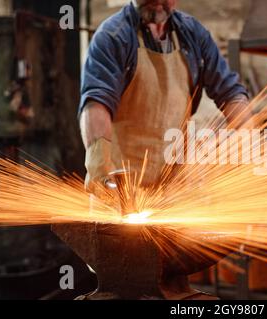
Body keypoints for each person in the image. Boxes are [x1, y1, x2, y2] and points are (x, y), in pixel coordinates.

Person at [78, 0, 250, 196]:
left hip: (174, 190)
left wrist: (249, 141)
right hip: (121, 190)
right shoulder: (113, 36)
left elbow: (230, 92)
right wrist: (100, 172)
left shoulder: (192, 34)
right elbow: (96, 104)